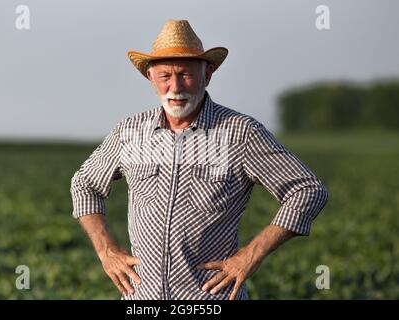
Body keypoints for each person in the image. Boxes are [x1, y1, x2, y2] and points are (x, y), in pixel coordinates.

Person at [70, 19, 329, 300]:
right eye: (165, 76)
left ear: (208, 74)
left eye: (186, 75)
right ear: (150, 77)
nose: (176, 86)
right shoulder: (130, 132)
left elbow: (307, 190)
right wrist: (106, 251)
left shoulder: (239, 132)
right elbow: (85, 184)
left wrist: (251, 255)